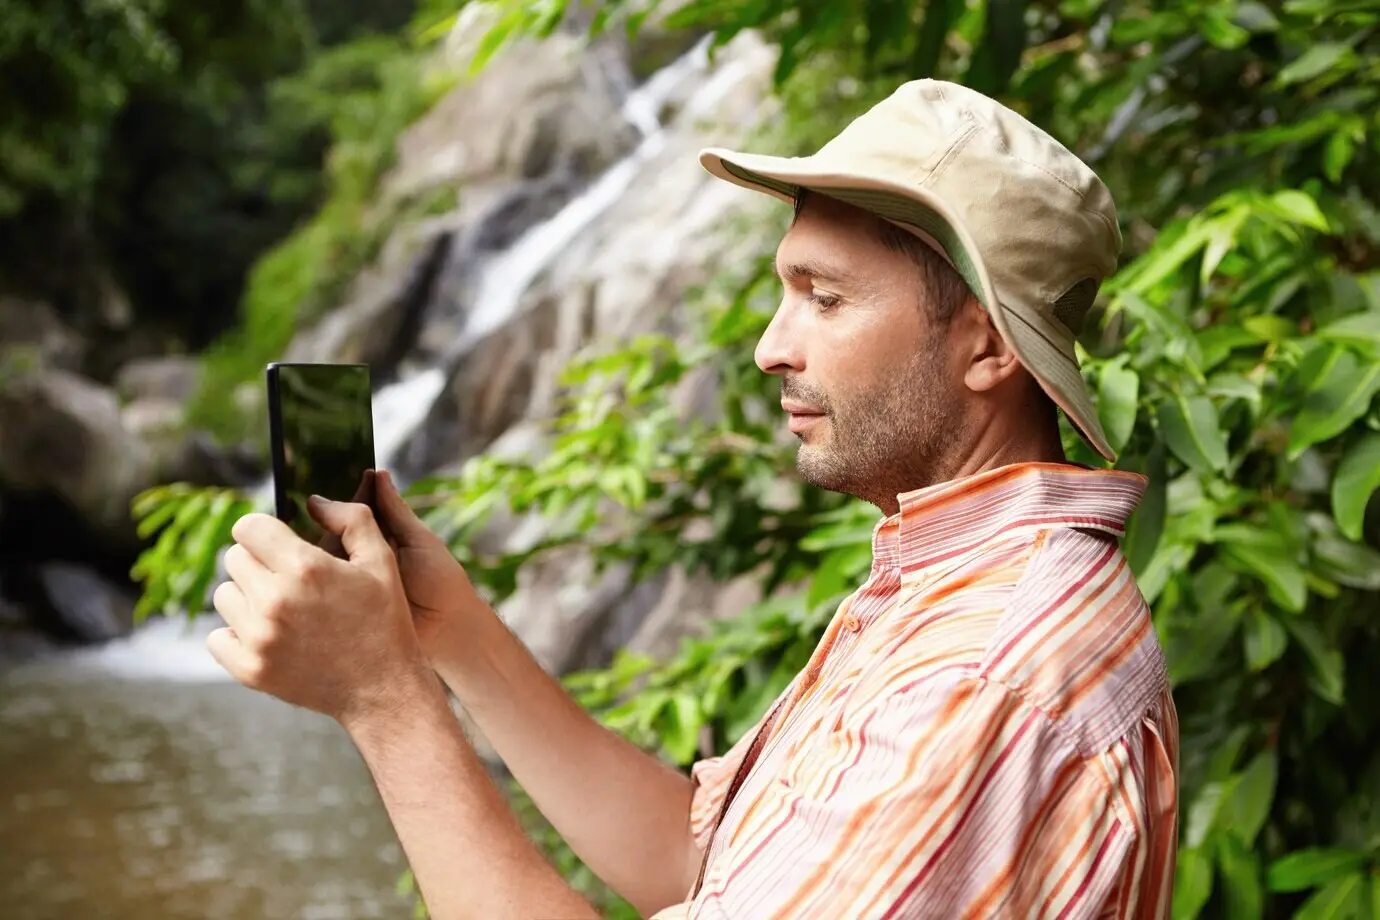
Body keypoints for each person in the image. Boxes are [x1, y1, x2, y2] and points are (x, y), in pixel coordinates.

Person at [209, 78, 1179, 919]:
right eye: (783, 290)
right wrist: (447, 631)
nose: (771, 345)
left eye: (825, 297)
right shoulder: (951, 584)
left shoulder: (985, 669)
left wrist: (384, 698)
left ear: (988, 345)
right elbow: (698, 858)